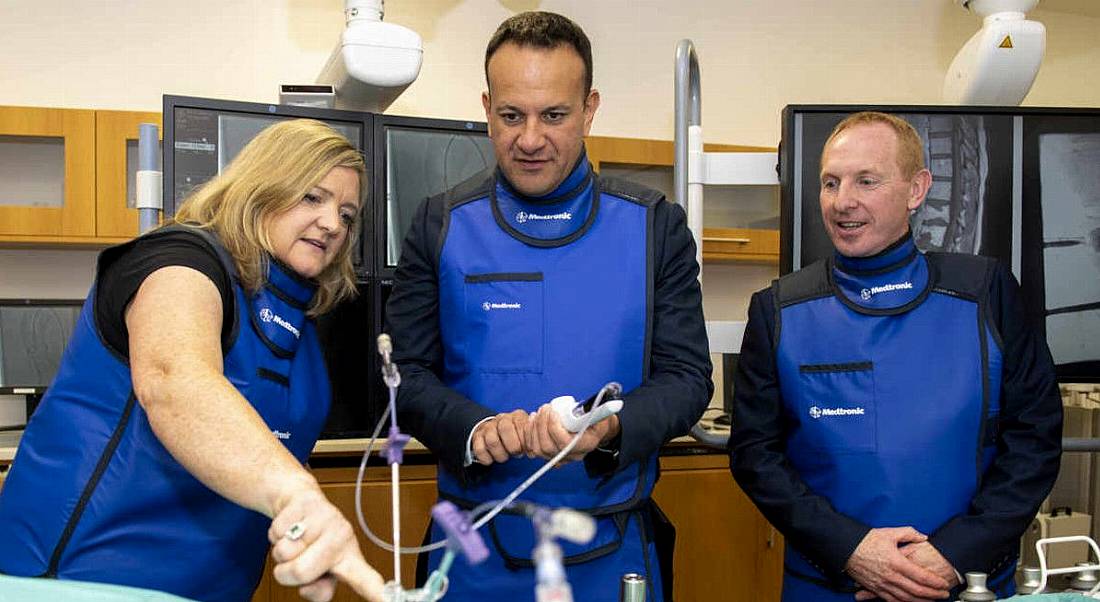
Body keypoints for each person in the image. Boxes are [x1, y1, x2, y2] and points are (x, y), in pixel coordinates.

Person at [385, 11, 712, 602]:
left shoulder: (654, 226)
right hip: (472, 551)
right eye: (511, 115)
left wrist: (610, 430)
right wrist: (478, 429)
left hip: (611, 549)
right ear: (487, 109)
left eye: (554, 115)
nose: (530, 138)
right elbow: (403, 379)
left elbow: (687, 379)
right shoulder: (439, 224)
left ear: (589, 109)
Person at [0, 119, 384, 602]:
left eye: (347, 215)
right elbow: (174, 380)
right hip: (84, 580)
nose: (333, 224)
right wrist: (298, 496)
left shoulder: (299, 327)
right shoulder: (181, 260)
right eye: (312, 197)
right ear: (262, 187)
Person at [729, 111, 1063, 601]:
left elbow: (1034, 441)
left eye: (867, 180)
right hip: (830, 585)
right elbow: (756, 456)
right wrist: (853, 551)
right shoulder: (778, 311)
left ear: (916, 188)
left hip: (964, 583)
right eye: (830, 182)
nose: (843, 202)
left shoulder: (986, 294)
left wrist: (951, 556)